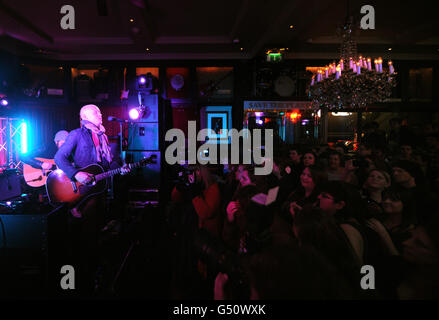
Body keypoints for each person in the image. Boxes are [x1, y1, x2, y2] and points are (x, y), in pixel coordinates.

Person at [54, 104, 128, 295]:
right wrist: (75, 174)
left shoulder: (102, 136)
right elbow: (59, 158)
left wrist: (120, 166)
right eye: (96, 112)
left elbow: (107, 163)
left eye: (100, 111)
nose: (100, 114)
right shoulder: (77, 134)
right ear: (85, 116)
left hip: (99, 191)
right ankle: (81, 281)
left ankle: (94, 277)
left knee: (95, 234)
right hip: (81, 191)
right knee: (86, 237)